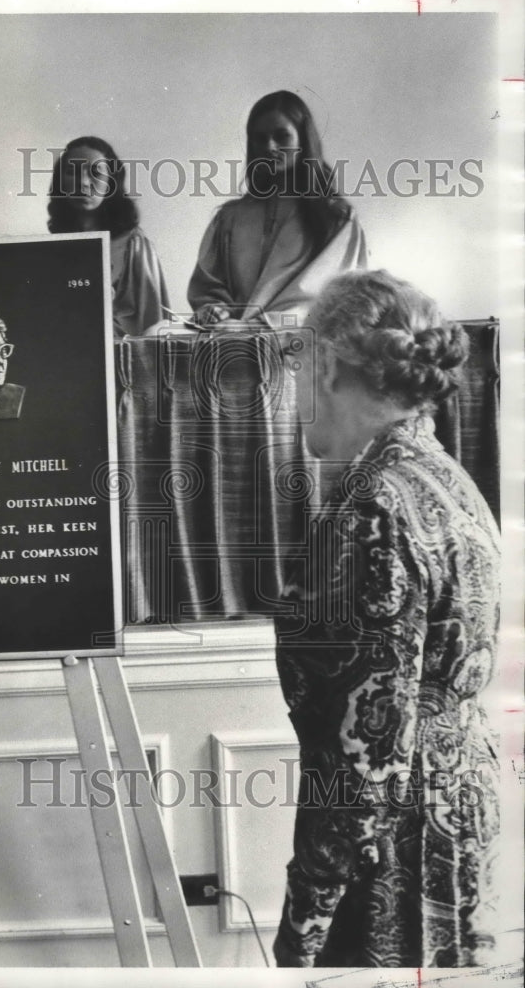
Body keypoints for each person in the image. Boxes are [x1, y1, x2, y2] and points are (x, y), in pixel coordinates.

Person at [273, 270, 499, 967]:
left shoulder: (370, 507)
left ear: (328, 365)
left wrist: (303, 927)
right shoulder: (443, 475)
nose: (293, 394)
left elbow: (361, 763)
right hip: (460, 815)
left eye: (298, 366)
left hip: (392, 858)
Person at [187, 91, 367, 329]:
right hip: (232, 346)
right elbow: (209, 286)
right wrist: (214, 309)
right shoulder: (230, 218)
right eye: (260, 138)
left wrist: (261, 326)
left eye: (282, 136)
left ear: (303, 141)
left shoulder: (336, 219)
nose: (270, 147)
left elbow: (337, 300)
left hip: (301, 349)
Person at [47, 136, 169, 338]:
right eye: (71, 172)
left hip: (125, 360)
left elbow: (156, 325)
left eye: (96, 173)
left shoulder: (135, 246)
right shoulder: (52, 249)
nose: (83, 182)